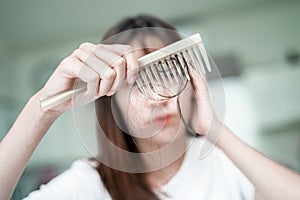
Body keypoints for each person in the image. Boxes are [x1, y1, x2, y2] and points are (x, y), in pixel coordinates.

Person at [0, 15, 300, 200]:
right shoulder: (89, 183)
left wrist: (213, 129)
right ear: (112, 104)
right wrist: (42, 110)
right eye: (135, 82)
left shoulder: (224, 163)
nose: (158, 97)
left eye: (167, 73)